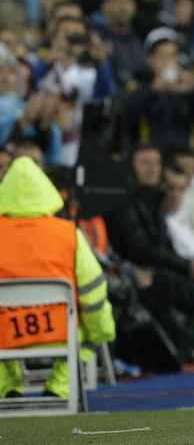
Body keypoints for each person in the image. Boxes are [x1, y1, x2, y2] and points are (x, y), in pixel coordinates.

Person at [0, 157, 115, 398]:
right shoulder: (68, 234)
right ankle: (60, 387)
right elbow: (92, 290)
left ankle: (8, 387)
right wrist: (102, 330)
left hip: (5, 335)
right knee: (92, 331)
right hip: (61, 333)